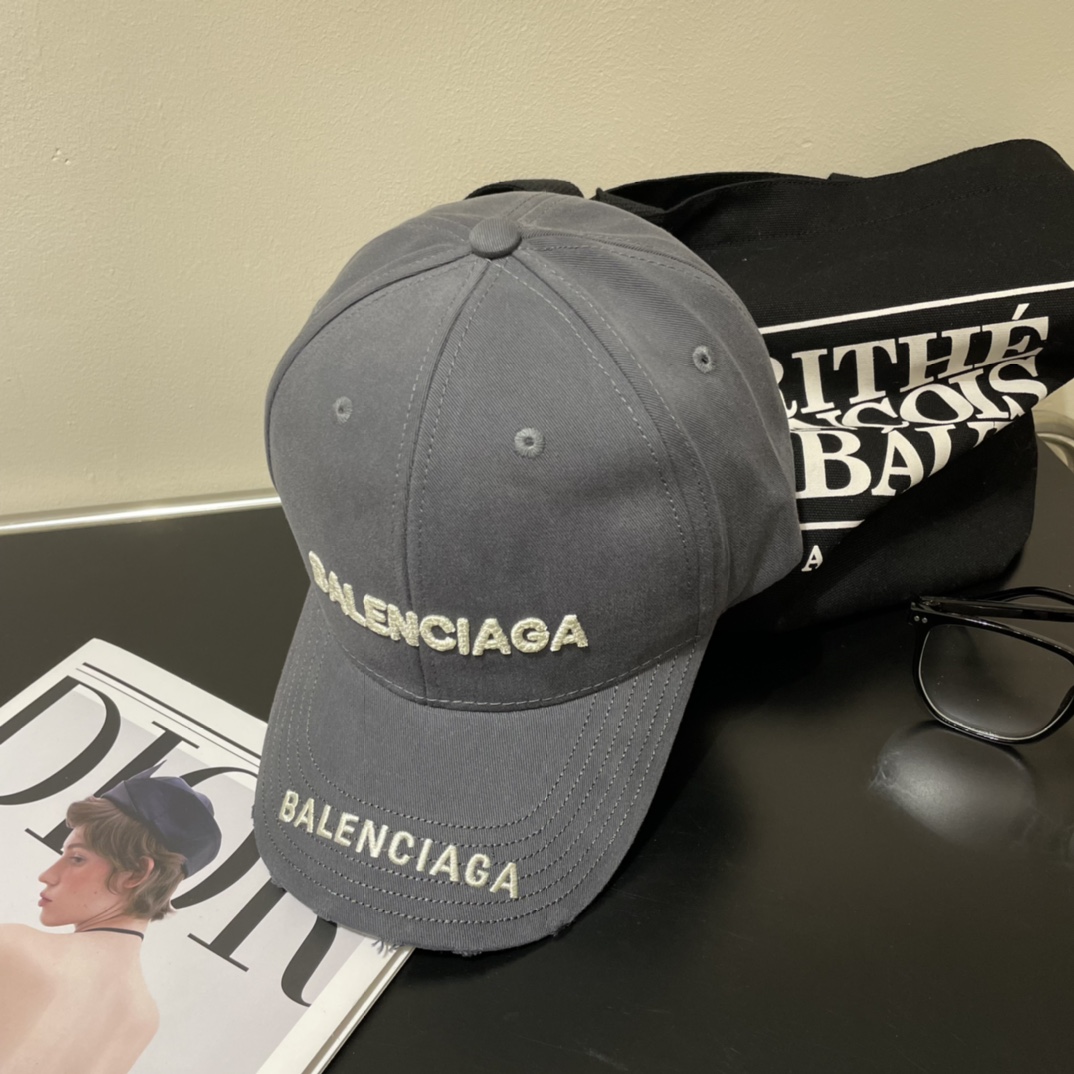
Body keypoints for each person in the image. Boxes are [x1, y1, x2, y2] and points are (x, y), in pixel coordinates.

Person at [0, 767, 222, 1074]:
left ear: (136, 873)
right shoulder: (142, 1018)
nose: (47, 875)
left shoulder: (15, 947)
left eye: (77, 858)